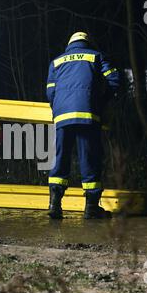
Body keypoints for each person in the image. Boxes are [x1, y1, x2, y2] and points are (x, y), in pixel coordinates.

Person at [46, 31, 120, 219]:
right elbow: (114, 79)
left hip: (62, 116)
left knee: (61, 159)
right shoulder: (96, 56)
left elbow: (50, 92)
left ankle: (55, 205)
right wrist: (101, 101)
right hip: (88, 114)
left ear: (70, 44)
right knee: (90, 159)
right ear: (87, 43)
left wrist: (58, 109)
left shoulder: (56, 62)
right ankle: (91, 208)